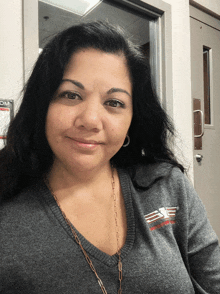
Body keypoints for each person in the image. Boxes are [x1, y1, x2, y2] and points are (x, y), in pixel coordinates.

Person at [0, 21, 219, 294]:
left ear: (132, 118)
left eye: (114, 103)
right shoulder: (8, 208)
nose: (90, 120)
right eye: (71, 95)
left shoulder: (167, 186)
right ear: (42, 105)